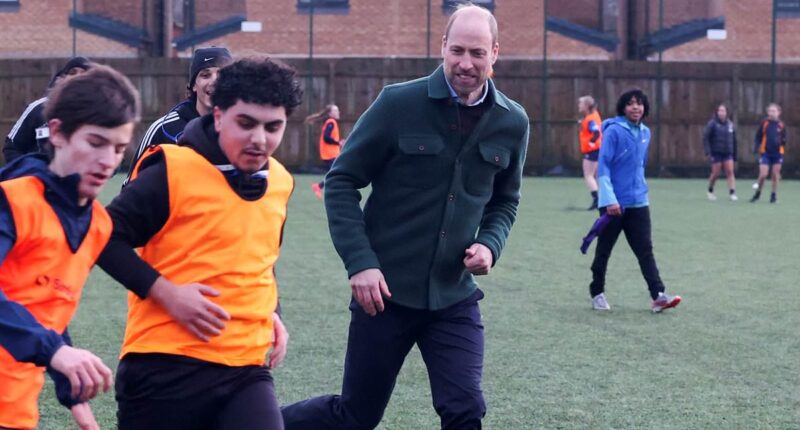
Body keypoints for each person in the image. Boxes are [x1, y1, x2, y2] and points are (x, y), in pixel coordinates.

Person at [281, 4, 529, 430]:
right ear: (442, 47)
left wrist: (491, 244)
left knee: (465, 408)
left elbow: (505, 201)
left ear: (495, 54)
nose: (465, 63)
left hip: (453, 297)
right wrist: (361, 264)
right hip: (384, 297)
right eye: (457, 51)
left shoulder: (513, 121)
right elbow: (341, 182)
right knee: (355, 417)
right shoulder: (399, 103)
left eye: (477, 53)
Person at [96, 57, 302, 429]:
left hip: (246, 369)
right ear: (219, 115)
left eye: (274, 127)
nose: (259, 139)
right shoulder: (172, 171)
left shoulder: (281, 181)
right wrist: (166, 293)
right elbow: (103, 237)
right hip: (163, 366)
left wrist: (275, 313)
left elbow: (260, 259)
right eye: (246, 123)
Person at [0, 64, 140, 430]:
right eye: (95, 143)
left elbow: (47, 312)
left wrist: (76, 400)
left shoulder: (97, 224)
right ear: (57, 133)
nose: (108, 160)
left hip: (15, 412)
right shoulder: (12, 201)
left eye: (119, 148)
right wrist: (56, 353)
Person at [589, 88, 681, 313]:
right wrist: (610, 200)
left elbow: (639, 166)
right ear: (623, 107)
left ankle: (658, 296)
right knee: (604, 250)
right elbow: (604, 167)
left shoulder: (645, 133)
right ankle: (597, 292)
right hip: (613, 205)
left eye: (639, 103)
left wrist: (642, 191)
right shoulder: (613, 132)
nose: (635, 107)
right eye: (630, 103)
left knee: (645, 250)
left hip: (639, 202)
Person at [123, 46, 233, 185]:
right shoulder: (164, 129)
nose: (214, 82)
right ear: (193, 85)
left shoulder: (241, 128)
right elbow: (131, 187)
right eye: (205, 75)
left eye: (221, 75)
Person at [3, 56, 92, 163]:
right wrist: (27, 171)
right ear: (61, 78)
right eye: (72, 73)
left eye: (84, 74)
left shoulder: (97, 114)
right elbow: (12, 146)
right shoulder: (38, 108)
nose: (77, 77)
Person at [306, 104, 345, 199]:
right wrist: (338, 143)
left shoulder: (331, 123)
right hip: (330, 154)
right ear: (330, 113)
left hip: (332, 154)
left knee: (335, 173)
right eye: (336, 110)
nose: (338, 112)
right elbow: (326, 138)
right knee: (336, 173)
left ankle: (319, 187)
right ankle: (322, 188)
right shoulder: (331, 122)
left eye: (338, 110)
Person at [750, 103, 786, 203]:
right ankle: (757, 194)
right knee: (763, 175)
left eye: (774, 111)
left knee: (775, 175)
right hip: (765, 153)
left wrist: (783, 142)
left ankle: (773, 196)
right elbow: (758, 137)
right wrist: (756, 148)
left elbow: (784, 137)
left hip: (777, 153)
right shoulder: (764, 123)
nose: (771, 113)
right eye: (770, 111)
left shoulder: (781, 125)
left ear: (779, 113)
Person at [703, 103, 738, 201]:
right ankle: (710, 190)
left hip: (728, 152)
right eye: (720, 111)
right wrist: (708, 151)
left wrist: (735, 154)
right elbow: (706, 137)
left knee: (730, 171)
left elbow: (734, 140)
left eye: (723, 111)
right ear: (717, 112)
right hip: (716, 152)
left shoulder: (730, 125)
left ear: (727, 113)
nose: (721, 113)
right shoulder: (712, 124)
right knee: (715, 173)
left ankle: (732, 192)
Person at [578, 95, 603, 210]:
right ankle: (603, 199)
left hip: (592, 150)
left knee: (588, 175)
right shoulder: (593, 115)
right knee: (598, 176)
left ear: (587, 105)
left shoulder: (590, 119)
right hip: (599, 149)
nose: (579, 105)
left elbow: (596, 132)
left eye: (581, 103)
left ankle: (596, 200)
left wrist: (591, 143)